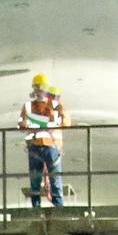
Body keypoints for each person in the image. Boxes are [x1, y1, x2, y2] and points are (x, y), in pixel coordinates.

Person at [21, 72, 69, 207]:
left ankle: (59, 208)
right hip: (35, 148)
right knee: (35, 182)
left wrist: (43, 123)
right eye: (36, 87)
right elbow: (22, 123)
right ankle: (36, 209)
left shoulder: (57, 106)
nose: (38, 90)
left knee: (55, 181)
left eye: (40, 87)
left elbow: (65, 122)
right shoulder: (29, 107)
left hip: (51, 147)